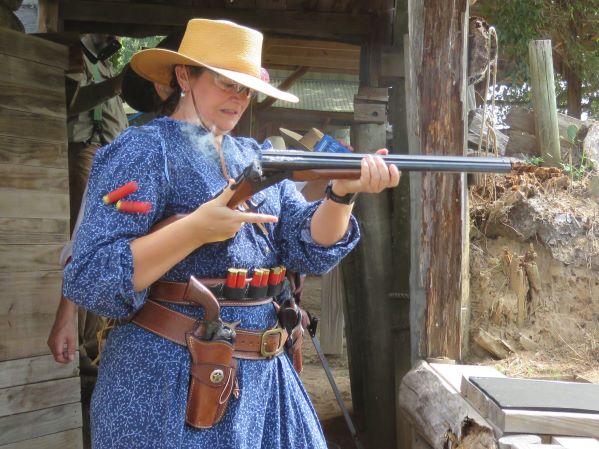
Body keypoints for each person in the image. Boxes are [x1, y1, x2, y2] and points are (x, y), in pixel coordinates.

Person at [62, 18, 400, 449]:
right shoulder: (143, 150)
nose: (239, 98)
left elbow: (305, 245)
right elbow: (92, 276)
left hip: (265, 381)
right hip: (165, 381)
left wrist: (342, 193)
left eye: (247, 88)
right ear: (184, 76)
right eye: (227, 83)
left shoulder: (255, 156)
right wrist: (195, 230)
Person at [47, 32, 184, 367]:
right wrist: (66, 314)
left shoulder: (236, 158)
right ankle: (90, 343)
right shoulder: (131, 155)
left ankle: (94, 342)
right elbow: (87, 242)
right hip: (91, 146)